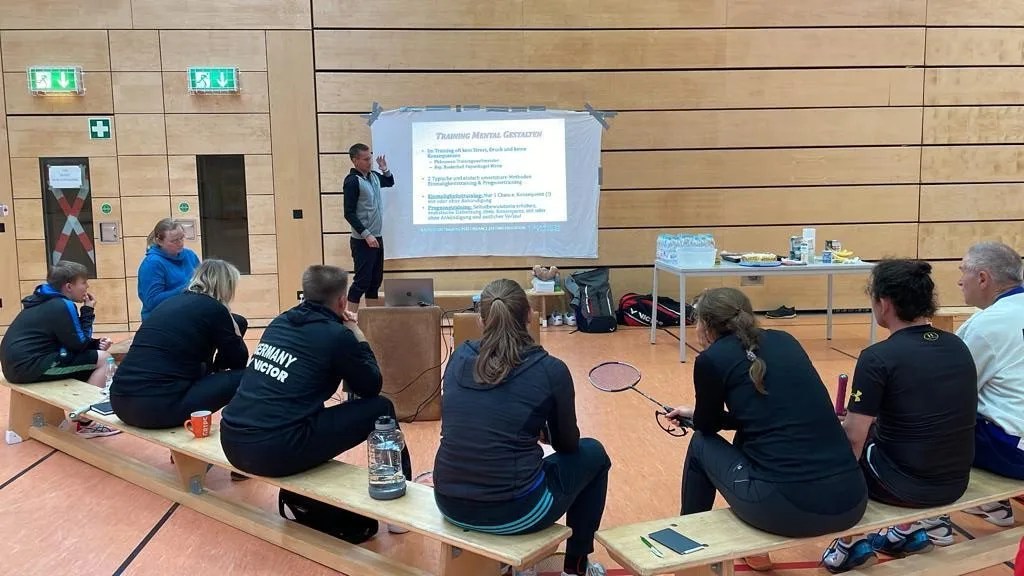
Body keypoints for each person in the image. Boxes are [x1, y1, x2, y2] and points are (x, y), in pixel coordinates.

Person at [665, 287, 867, 572]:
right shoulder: (786, 340)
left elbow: (707, 427)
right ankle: (756, 554)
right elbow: (768, 414)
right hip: (852, 501)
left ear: (706, 325)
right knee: (756, 437)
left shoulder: (711, 359)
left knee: (701, 444)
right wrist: (699, 414)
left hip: (788, 511)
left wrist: (697, 417)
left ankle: (687, 551)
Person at [433, 279, 610, 576]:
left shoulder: (459, 356)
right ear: (529, 315)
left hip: (448, 503)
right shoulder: (551, 369)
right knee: (594, 454)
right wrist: (541, 432)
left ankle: (509, 565)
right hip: (513, 513)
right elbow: (568, 445)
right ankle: (576, 566)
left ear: (481, 320)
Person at [821, 260, 978, 573]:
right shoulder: (957, 345)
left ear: (884, 304)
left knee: (837, 448)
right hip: (955, 481)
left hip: (905, 489)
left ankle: (850, 545)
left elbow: (853, 438)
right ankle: (906, 533)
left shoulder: (877, 357)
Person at [220, 266, 411, 501]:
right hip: (272, 451)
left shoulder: (279, 322)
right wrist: (357, 335)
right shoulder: (337, 336)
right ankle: (401, 488)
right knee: (381, 408)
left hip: (230, 441)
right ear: (342, 301)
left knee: (303, 401)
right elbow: (371, 386)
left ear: (306, 294)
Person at [110, 259, 248, 429]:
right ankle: (245, 428)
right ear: (227, 286)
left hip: (120, 402)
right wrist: (234, 330)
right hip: (156, 410)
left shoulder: (171, 302)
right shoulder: (215, 309)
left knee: (236, 323)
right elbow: (238, 362)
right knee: (250, 376)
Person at [0, 261, 119, 438]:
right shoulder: (63, 305)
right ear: (69, 286)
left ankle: (80, 413)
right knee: (104, 359)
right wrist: (87, 311)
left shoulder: (43, 299)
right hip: (28, 367)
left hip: (16, 366)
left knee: (92, 358)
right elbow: (78, 344)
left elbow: (68, 339)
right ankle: (85, 422)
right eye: (84, 282)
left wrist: (94, 344)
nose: (87, 287)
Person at [954, 241, 1024, 527]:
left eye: (963, 271)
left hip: (1013, 452)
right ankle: (993, 504)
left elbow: (952, 393)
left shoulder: (984, 325)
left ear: (983, 278)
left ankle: (928, 521)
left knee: (930, 416)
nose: (960, 281)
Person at [343, 143, 394, 315]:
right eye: (365, 159)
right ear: (355, 160)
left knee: (375, 281)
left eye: (370, 158)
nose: (369, 162)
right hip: (362, 240)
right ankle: (350, 318)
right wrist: (366, 235)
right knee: (361, 281)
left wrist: (384, 169)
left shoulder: (373, 176)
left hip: (377, 237)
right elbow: (349, 213)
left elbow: (389, 182)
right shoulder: (352, 181)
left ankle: (372, 319)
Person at [137, 218, 201, 321]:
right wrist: (187, 289)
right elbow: (152, 302)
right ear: (159, 241)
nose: (180, 243)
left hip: (189, 316)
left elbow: (202, 282)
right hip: (162, 321)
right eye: (174, 241)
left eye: (181, 238)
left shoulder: (190, 255)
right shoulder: (152, 264)